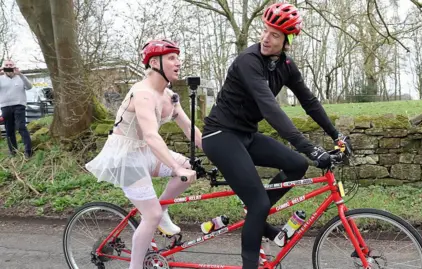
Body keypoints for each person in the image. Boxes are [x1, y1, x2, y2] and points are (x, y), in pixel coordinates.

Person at [201, 3, 351, 269]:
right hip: (220, 134)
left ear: (287, 41)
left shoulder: (286, 66)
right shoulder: (249, 61)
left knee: (297, 165)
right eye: (266, 31)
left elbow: (310, 102)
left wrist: (336, 135)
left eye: (275, 35)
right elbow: (269, 108)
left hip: (246, 134)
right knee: (260, 202)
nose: (266, 38)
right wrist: (309, 147)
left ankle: (255, 214)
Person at [85, 39, 202, 269]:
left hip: (143, 152)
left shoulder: (169, 96)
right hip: (125, 156)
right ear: (155, 62)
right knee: (151, 216)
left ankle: (162, 212)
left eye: (178, 57)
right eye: (171, 58)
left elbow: (190, 130)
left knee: (190, 166)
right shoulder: (143, 93)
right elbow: (150, 135)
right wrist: (176, 169)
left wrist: (218, 152)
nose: (178, 62)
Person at [0, 59, 33, 157]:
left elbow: (29, 87)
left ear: (14, 66)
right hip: (5, 106)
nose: (9, 66)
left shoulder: (20, 77)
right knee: (9, 129)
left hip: (19, 105)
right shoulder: (1, 78)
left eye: (11, 65)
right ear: (3, 67)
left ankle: (28, 151)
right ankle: (13, 151)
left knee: (21, 126)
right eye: (7, 65)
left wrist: (21, 75)